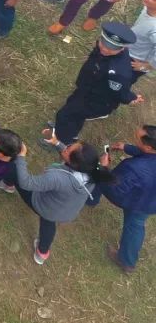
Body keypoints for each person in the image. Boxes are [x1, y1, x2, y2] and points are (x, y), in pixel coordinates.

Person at [13, 133, 114, 265]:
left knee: (12, 170)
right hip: (65, 211)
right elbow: (77, 158)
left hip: (45, 206)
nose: (67, 146)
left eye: (68, 148)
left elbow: (26, 183)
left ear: (73, 164)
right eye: (71, 145)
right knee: (48, 223)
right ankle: (42, 253)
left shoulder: (57, 178)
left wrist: (21, 157)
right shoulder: (95, 172)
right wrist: (57, 143)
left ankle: (7, 184)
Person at [46, 22, 143, 145]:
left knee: (67, 114)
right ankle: (67, 130)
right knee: (73, 111)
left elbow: (120, 92)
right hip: (86, 89)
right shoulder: (102, 48)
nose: (104, 48)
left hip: (97, 100)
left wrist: (131, 98)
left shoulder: (118, 71)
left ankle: (62, 139)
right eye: (104, 43)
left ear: (122, 48)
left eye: (112, 48)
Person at [101, 124, 156, 273]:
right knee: (137, 224)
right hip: (152, 198)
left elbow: (114, 189)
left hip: (143, 201)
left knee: (134, 225)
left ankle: (126, 261)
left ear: (149, 147)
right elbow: (148, 153)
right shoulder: (150, 153)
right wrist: (128, 148)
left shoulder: (135, 168)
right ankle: (128, 260)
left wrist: (104, 169)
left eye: (137, 139)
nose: (134, 139)